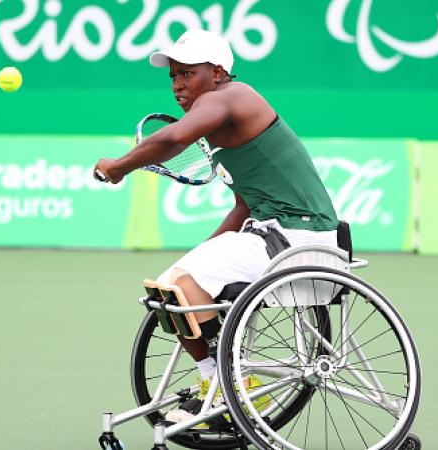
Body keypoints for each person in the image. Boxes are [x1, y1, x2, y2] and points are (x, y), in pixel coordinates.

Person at [93, 28, 340, 424]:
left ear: (219, 71)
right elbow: (244, 205)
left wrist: (119, 166)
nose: (178, 84)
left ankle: (236, 387)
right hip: (271, 235)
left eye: (188, 73)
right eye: (173, 75)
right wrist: (198, 256)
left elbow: (174, 137)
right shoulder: (223, 124)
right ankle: (216, 379)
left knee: (185, 284)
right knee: (172, 286)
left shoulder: (235, 96)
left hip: (302, 237)